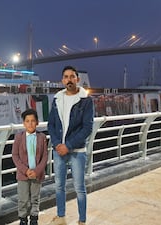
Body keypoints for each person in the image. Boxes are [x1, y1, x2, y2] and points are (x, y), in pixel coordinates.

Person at [47, 65, 94, 225]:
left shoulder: (85, 100)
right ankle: (61, 217)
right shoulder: (57, 99)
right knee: (59, 186)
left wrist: (68, 145)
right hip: (58, 150)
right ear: (62, 80)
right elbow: (51, 125)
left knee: (79, 188)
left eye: (72, 77)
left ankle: (82, 221)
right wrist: (56, 144)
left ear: (77, 79)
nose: (69, 80)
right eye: (66, 77)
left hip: (77, 151)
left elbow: (87, 127)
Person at [12, 109, 48, 225]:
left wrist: (37, 171)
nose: (30, 123)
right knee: (23, 199)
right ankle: (23, 219)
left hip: (37, 174)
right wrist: (25, 170)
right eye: (27, 121)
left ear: (37, 122)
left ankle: (34, 218)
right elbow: (15, 156)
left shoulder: (42, 137)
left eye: (33, 121)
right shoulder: (19, 137)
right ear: (23, 123)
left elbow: (44, 157)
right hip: (23, 174)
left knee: (35, 198)